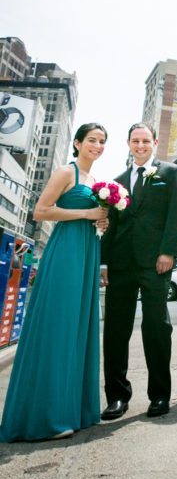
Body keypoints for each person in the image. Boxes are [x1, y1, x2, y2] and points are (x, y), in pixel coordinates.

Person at [0, 123, 109, 442]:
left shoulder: (94, 181)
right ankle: (45, 417)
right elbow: (41, 211)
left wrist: (100, 219)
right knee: (58, 325)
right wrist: (86, 215)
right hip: (65, 252)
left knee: (78, 326)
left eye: (102, 141)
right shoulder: (66, 172)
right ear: (77, 143)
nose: (97, 145)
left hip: (88, 250)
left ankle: (73, 410)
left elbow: (90, 215)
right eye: (92, 140)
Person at [100, 122, 177, 420]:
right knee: (114, 330)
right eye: (135, 141)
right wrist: (104, 261)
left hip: (154, 263)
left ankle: (159, 395)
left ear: (154, 142)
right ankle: (117, 397)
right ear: (128, 143)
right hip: (121, 264)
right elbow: (111, 226)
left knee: (156, 327)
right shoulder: (117, 181)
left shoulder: (171, 173)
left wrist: (168, 252)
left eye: (145, 141)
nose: (140, 145)